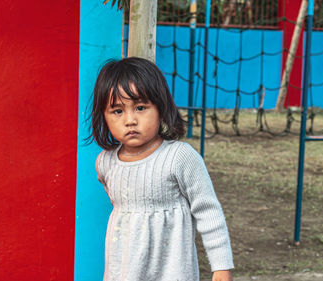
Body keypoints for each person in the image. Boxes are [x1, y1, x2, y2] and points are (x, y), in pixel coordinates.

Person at [88, 57, 234, 281]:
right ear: (104, 116)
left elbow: (209, 213)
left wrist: (221, 267)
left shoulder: (180, 158)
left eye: (140, 107)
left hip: (172, 271)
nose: (130, 120)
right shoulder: (105, 163)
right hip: (123, 272)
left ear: (160, 108)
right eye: (117, 111)